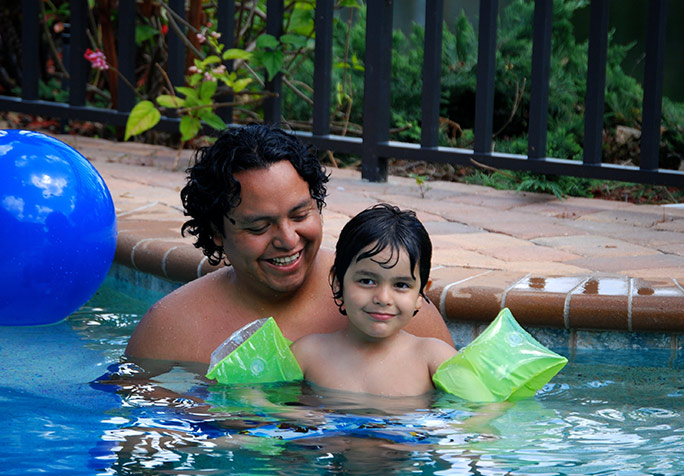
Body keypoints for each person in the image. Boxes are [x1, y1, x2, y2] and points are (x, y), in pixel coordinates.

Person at [125, 125, 453, 365]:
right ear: (216, 232)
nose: (288, 239)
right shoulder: (171, 329)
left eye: (300, 214)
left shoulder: (388, 303)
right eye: (259, 226)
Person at [291, 203, 457, 397]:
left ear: (420, 294)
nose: (383, 298)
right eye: (367, 281)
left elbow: (479, 416)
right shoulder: (307, 355)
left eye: (401, 285)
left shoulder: (434, 359)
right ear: (337, 282)